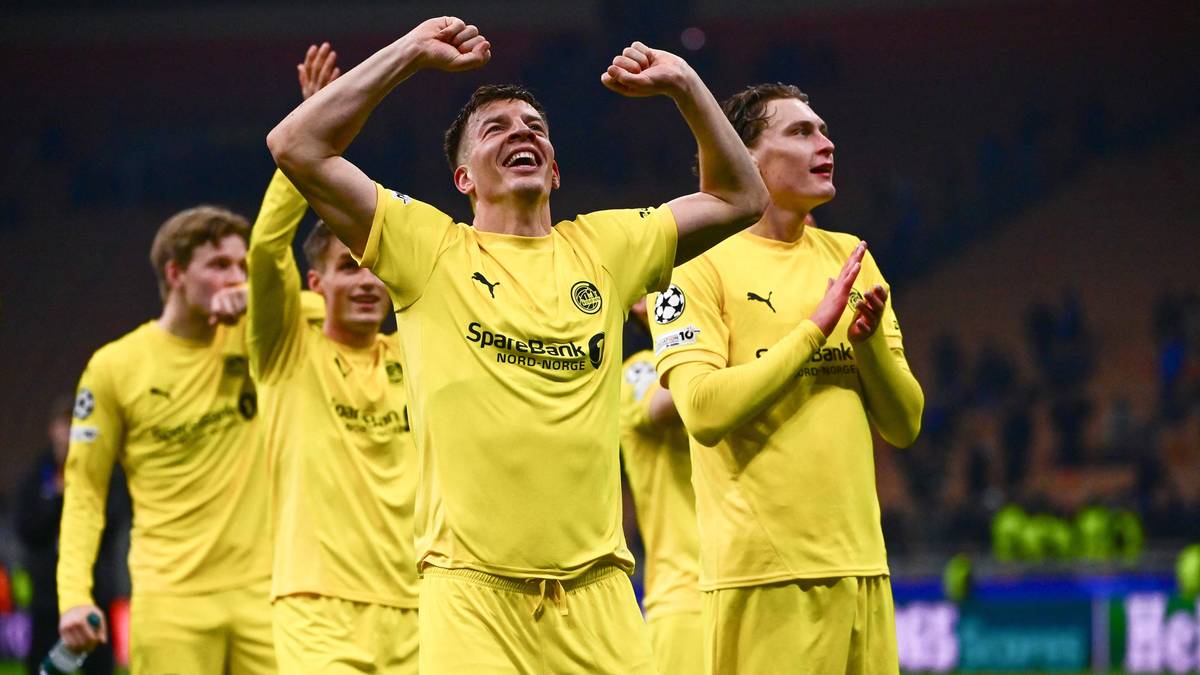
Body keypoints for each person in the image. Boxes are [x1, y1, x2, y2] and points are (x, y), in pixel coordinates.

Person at [267, 16, 767, 673]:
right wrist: (410, 53)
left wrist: (685, 85)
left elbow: (741, 197)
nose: (521, 133)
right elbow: (295, 144)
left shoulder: (608, 246)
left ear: (554, 171)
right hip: (472, 597)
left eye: (534, 127)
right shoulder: (428, 248)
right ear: (463, 179)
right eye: (495, 129)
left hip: (601, 595)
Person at [647, 83, 924, 674]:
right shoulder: (692, 265)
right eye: (800, 132)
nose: (826, 143)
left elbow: (905, 424)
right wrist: (813, 330)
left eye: (823, 130)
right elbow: (702, 411)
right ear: (743, 156)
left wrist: (869, 347)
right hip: (764, 580)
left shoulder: (850, 257)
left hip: (864, 570)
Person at [245, 43, 419, 673]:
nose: (367, 281)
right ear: (314, 285)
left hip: (420, 601)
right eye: (347, 268)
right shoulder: (286, 351)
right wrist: (311, 129)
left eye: (372, 267)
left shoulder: (416, 355)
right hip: (316, 605)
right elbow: (266, 250)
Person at [57, 205, 278, 674]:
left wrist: (262, 297)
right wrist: (74, 595)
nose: (235, 278)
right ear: (175, 273)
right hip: (170, 602)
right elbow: (85, 490)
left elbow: (330, 309)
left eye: (242, 266)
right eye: (219, 265)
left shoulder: (258, 336)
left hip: (266, 592)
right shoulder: (115, 367)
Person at [15, 394, 127, 675]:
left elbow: (112, 520)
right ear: (52, 429)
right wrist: (56, 498)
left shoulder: (105, 473)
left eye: (74, 426)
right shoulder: (36, 475)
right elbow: (26, 527)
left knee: (99, 669)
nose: (67, 435)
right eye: (63, 426)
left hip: (94, 598)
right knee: (42, 669)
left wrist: (76, 500)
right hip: (46, 599)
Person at [618, 298, 701, 675]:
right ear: (640, 304)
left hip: (762, 588)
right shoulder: (638, 371)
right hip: (686, 602)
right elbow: (668, 406)